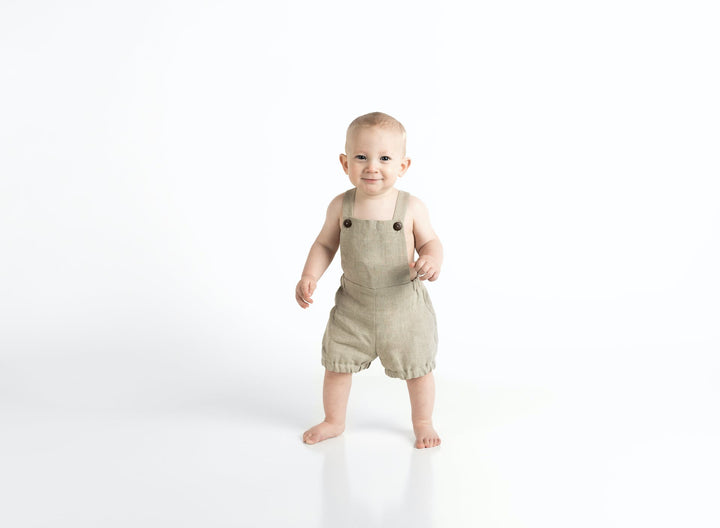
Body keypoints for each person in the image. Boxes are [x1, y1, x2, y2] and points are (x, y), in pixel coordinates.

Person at [295, 112, 443, 449]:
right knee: (337, 365)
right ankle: (334, 420)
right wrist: (309, 275)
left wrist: (431, 259)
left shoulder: (411, 207)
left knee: (417, 369)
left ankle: (422, 421)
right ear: (345, 162)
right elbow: (324, 244)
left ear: (403, 166)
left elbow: (432, 242)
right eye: (361, 157)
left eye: (384, 158)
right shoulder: (340, 206)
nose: (372, 166)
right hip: (354, 306)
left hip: (403, 308)